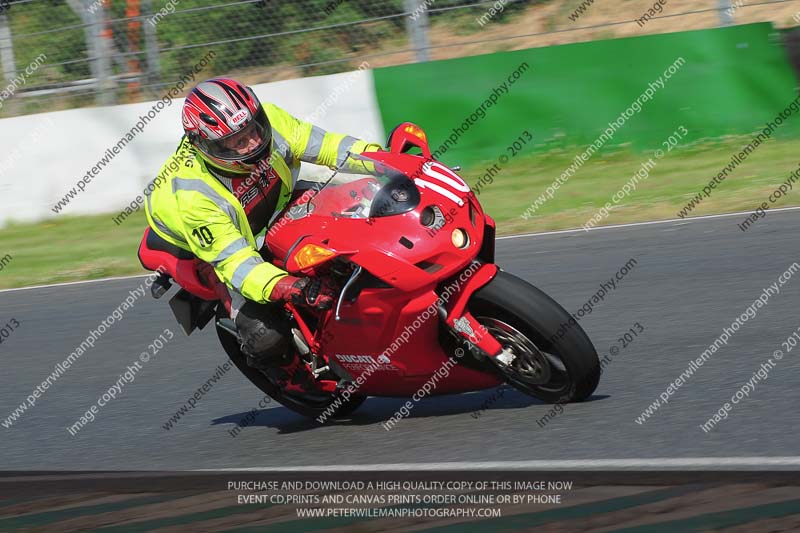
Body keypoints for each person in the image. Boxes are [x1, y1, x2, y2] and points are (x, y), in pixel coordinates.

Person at [144, 77, 382, 369]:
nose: (254, 142)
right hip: (214, 249)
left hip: (276, 203)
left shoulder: (271, 120)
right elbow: (238, 266)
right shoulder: (195, 197)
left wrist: (381, 158)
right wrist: (297, 288)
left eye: (253, 129)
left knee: (363, 209)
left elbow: (331, 147)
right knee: (266, 336)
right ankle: (290, 374)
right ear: (207, 146)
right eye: (238, 142)